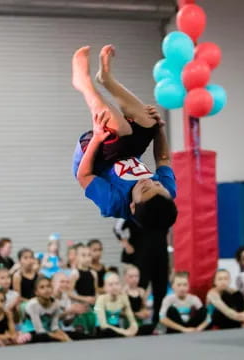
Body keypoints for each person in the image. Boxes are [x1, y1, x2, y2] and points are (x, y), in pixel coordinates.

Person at [71, 45, 177, 228]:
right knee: (148, 120)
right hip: (127, 151)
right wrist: (158, 129)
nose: (148, 182)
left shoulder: (114, 203)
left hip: (94, 159)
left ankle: (83, 83)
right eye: (156, 185)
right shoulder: (166, 192)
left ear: (132, 207)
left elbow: (84, 176)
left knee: (121, 128)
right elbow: (163, 158)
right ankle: (106, 79)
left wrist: (97, 137)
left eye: (145, 188)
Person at [21, 277, 71, 343]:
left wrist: (66, 337)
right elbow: (39, 330)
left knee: (73, 335)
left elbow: (54, 327)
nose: (46, 290)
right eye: (42, 287)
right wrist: (60, 338)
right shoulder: (32, 305)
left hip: (47, 331)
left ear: (52, 289)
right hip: (31, 333)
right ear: (36, 292)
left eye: (48, 286)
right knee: (46, 338)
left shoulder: (56, 304)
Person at [94, 272, 138, 338]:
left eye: (117, 284)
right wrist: (123, 332)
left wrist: (134, 329)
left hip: (117, 328)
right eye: (110, 285)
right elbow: (103, 325)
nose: (114, 287)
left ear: (120, 285)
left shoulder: (124, 297)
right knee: (108, 331)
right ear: (105, 287)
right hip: (103, 331)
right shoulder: (101, 299)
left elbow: (132, 319)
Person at [69, 244, 97, 335]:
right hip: (80, 305)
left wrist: (96, 299)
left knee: (93, 330)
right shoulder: (75, 273)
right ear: (77, 257)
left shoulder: (93, 273)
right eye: (83, 255)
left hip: (92, 306)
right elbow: (69, 293)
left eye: (89, 255)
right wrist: (84, 299)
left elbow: (95, 291)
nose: (87, 258)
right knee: (81, 330)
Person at [52, 272, 89, 340]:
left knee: (84, 335)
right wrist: (69, 311)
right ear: (53, 283)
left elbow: (66, 323)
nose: (65, 284)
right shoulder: (48, 297)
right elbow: (50, 319)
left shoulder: (65, 296)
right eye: (62, 282)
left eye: (67, 282)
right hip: (47, 331)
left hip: (60, 330)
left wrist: (75, 314)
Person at [123, 265, 155, 335]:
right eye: (131, 276)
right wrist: (136, 314)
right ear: (125, 277)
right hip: (128, 322)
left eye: (136, 276)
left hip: (140, 322)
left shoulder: (141, 291)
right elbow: (121, 312)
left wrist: (146, 312)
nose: (134, 279)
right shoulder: (123, 292)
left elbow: (144, 307)